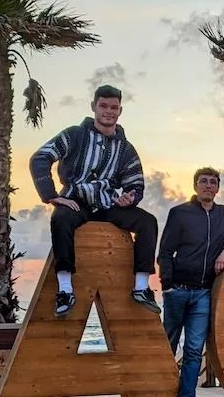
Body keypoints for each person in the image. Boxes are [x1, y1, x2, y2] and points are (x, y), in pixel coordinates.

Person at [30, 85, 160, 318]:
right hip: (75, 202)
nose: (108, 111)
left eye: (114, 107)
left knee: (147, 221)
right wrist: (51, 195)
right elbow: (41, 157)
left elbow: (135, 182)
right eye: (103, 106)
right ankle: (65, 290)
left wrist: (129, 198)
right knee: (61, 218)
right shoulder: (74, 135)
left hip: (108, 205)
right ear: (94, 107)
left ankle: (141, 287)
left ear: (120, 111)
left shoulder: (125, 148)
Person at [158, 168, 224, 397]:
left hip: (204, 293)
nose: (208, 186)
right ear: (196, 185)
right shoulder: (180, 213)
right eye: (203, 181)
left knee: (194, 351)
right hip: (177, 290)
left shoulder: (223, 215)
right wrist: (167, 285)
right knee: (168, 346)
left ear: (218, 188)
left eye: (213, 182)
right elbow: (165, 251)